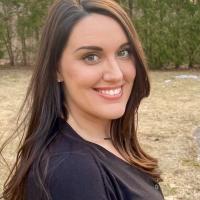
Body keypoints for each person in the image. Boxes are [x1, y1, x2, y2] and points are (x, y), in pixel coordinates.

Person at [0, 0, 164, 199]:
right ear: (56, 69)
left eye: (123, 52)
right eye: (91, 57)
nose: (116, 74)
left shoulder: (111, 140)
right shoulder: (71, 172)